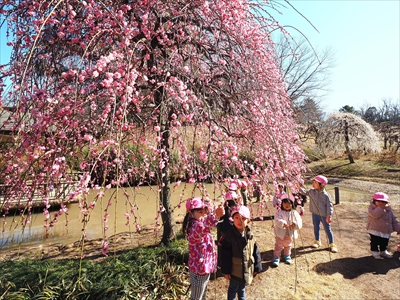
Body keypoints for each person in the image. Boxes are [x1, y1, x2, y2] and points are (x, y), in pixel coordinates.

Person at [182, 197, 225, 300]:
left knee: (202, 295)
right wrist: (215, 216)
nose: (204, 214)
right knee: (196, 298)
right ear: (191, 213)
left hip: (204, 269)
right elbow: (203, 227)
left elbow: (206, 225)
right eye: (200, 212)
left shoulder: (200, 224)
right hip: (199, 271)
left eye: (205, 211)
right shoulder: (194, 228)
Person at [221, 205, 262, 300]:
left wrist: (257, 266)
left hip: (246, 269)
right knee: (233, 289)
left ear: (248, 221)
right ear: (232, 219)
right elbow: (225, 255)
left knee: (242, 289)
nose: (239, 221)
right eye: (237, 218)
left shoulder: (250, 235)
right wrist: (226, 271)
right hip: (235, 271)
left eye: (243, 218)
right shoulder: (229, 236)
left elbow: (255, 251)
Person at [303, 175, 338, 253]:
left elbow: (329, 205)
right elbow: (304, 192)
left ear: (321, 185)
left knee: (327, 229)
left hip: (324, 215)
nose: (313, 183)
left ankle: (332, 244)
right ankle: (317, 241)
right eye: (313, 182)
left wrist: (329, 215)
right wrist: (298, 186)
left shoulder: (326, 195)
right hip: (315, 214)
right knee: (316, 227)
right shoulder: (311, 192)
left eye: (315, 182)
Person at [366, 192, 400, 259]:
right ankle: (374, 251)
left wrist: (398, 229)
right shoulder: (372, 208)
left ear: (386, 202)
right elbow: (374, 215)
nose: (381, 203)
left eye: (383, 202)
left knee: (384, 242)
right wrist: (381, 208)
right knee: (375, 241)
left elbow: (393, 220)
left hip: (385, 230)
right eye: (379, 201)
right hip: (374, 229)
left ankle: (383, 251)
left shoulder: (388, 209)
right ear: (374, 201)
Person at [272, 194, 303, 267]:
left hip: (289, 233)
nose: (286, 205)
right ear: (281, 203)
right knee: (278, 246)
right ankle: (276, 257)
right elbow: (277, 219)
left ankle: (287, 255)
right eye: (284, 203)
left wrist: (294, 224)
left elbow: (299, 221)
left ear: (292, 204)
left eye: (289, 203)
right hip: (280, 233)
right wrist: (283, 223)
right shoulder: (278, 212)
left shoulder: (294, 213)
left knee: (288, 245)